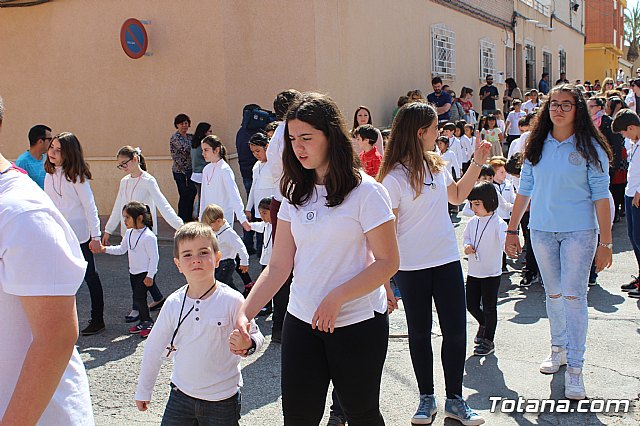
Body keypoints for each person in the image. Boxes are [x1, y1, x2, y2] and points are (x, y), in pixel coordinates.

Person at [234, 92, 399, 425]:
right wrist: (244, 313)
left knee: (361, 413)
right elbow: (279, 266)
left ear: (331, 137)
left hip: (357, 323)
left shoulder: (367, 192)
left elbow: (387, 262)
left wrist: (337, 298)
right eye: (293, 138)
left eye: (307, 138)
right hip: (301, 319)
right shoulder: (293, 192)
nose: (299, 147)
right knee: (298, 416)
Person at [378, 101, 489, 426]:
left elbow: (456, 196)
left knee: (456, 332)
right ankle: (427, 399)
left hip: (446, 262)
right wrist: (386, 281)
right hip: (410, 269)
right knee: (419, 333)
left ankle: (455, 400)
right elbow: (386, 233)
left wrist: (477, 164)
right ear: (419, 132)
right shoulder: (393, 178)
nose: (439, 132)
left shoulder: (438, 164)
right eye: (435, 127)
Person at [505, 84, 613, 400]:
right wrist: (512, 231)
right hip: (541, 232)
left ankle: (576, 369)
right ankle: (559, 349)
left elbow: (601, 196)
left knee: (574, 297)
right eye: (554, 104)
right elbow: (524, 190)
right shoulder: (535, 145)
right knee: (552, 294)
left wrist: (605, 243)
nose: (559, 110)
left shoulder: (590, 147)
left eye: (566, 104)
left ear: (577, 110)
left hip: (580, 233)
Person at [0, 95, 94, 425]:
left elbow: (55, 338)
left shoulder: (23, 212)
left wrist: (96, 234)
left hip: (34, 417)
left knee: (94, 281)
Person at [135, 222, 264, 425]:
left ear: (217, 258)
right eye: (187, 255)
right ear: (178, 264)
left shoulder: (233, 300)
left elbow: (257, 335)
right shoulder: (173, 303)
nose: (196, 260)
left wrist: (248, 345)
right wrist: (144, 389)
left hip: (222, 400)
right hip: (180, 396)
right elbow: (154, 346)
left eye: (204, 252)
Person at [103, 145, 183, 322]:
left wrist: (180, 225)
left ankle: (136, 307)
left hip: (144, 234)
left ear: (135, 160)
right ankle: (157, 297)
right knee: (137, 270)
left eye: (125, 164)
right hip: (129, 233)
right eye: (120, 165)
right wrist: (108, 230)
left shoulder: (148, 180)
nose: (123, 168)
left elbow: (162, 204)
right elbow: (118, 206)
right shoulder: (124, 182)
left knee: (142, 272)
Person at [44, 132, 106, 336]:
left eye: (58, 150)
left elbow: (90, 207)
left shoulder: (78, 177)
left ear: (68, 153)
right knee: (59, 277)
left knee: (89, 276)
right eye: (51, 147)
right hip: (59, 235)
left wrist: (95, 236)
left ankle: (97, 319)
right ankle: (60, 320)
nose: (52, 152)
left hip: (80, 236)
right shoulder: (49, 173)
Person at [101, 202, 158, 338]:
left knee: (140, 297)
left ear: (139, 218)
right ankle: (142, 321)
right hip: (133, 272)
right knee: (138, 299)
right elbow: (122, 249)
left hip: (144, 273)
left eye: (127, 217)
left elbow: (154, 258)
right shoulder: (129, 233)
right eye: (124, 217)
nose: (125, 221)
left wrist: (150, 275)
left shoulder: (149, 237)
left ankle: (148, 322)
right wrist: (105, 249)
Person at [463, 182, 507, 357]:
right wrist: (467, 246)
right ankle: (484, 324)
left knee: (490, 307)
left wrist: (510, 248)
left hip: (491, 273)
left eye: (477, 204)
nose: (473, 208)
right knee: (471, 305)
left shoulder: (499, 223)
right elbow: (466, 238)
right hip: (474, 271)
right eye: (471, 204)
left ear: (489, 202)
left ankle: (488, 340)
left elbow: (505, 242)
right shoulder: (472, 222)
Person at [612, 109, 640, 298]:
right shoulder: (634, 142)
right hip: (630, 193)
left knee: (639, 237)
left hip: (638, 195)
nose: (624, 136)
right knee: (633, 236)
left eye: (624, 132)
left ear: (631, 127)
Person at [198, 135, 250, 230]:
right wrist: (201, 218)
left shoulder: (225, 169)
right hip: (208, 219)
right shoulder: (206, 169)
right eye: (202, 150)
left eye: (206, 150)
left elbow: (234, 195)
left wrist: (242, 218)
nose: (203, 153)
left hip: (223, 219)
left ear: (216, 150)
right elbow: (203, 196)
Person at [587, 97, 627, 223]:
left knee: (607, 191)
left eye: (591, 106)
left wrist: (614, 164)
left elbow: (616, 145)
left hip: (607, 163)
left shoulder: (607, 122)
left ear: (599, 107)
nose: (589, 109)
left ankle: (611, 216)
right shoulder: (588, 123)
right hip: (591, 163)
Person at [201, 203, 250, 293]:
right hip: (218, 263)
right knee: (227, 285)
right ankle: (238, 301)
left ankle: (238, 301)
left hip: (226, 264)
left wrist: (244, 261)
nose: (210, 228)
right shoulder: (216, 231)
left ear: (219, 221)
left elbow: (241, 247)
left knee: (220, 285)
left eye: (211, 225)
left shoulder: (228, 233)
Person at [244, 131, 274, 258]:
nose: (256, 155)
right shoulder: (256, 166)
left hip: (272, 209)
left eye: (258, 151)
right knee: (261, 241)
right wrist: (248, 207)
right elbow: (253, 187)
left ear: (266, 147)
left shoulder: (275, 163)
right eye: (253, 152)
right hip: (259, 210)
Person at [15, 124, 52, 189]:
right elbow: (19, 187)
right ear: (40, 141)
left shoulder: (48, 158)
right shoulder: (22, 162)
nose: (51, 143)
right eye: (49, 139)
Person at [191, 122, 212, 213]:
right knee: (204, 199)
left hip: (195, 174)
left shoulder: (193, 144)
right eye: (209, 131)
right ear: (204, 132)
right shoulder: (204, 145)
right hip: (202, 174)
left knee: (201, 198)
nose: (211, 133)